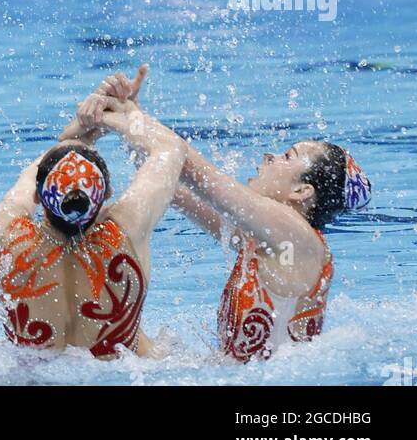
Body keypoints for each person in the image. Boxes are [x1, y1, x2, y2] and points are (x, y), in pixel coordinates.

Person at [91, 70, 372, 363]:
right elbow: (168, 180)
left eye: (286, 156)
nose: (268, 157)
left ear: (302, 191)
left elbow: (188, 166)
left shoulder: (292, 234)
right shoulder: (270, 241)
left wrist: (125, 115)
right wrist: (130, 111)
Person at [0, 67, 184, 359]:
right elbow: (170, 149)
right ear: (106, 194)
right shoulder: (126, 226)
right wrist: (122, 115)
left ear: (38, 197)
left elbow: (35, 176)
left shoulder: (6, 228)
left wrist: (73, 135)